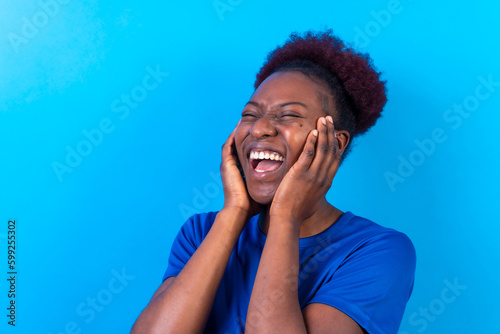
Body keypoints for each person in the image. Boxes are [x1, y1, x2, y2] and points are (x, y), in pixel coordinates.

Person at [131, 29, 416, 334]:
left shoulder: (376, 250)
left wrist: (286, 217)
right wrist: (233, 215)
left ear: (335, 142)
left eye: (288, 116)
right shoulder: (201, 233)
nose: (260, 129)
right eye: (250, 115)